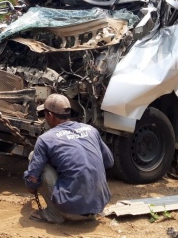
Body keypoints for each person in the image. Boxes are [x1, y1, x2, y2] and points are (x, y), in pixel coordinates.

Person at [24, 94, 114, 224]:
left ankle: (54, 214)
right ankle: (88, 205)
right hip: (98, 207)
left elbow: (32, 182)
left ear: (49, 115)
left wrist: (31, 187)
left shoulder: (45, 139)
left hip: (70, 211)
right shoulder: (91, 130)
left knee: (34, 156)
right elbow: (109, 162)